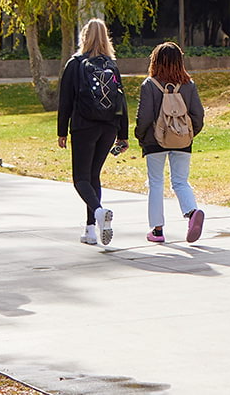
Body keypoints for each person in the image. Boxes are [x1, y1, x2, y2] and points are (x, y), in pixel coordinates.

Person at [55, 18, 128, 247]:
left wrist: (62, 131)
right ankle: (90, 231)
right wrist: (123, 134)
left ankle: (98, 212)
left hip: (83, 126)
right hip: (108, 127)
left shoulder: (75, 64)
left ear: (84, 36)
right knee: (93, 176)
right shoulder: (112, 65)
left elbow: (65, 100)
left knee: (80, 178)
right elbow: (121, 101)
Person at [134, 41, 206, 245]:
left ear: (155, 61)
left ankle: (157, 231)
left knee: (156, 183)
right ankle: (192, 213)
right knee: (180, 181)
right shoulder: (189, 85)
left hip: (154, 142)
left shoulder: (150, 85)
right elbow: (198, 115)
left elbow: (144, 117)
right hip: (183, 140)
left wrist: (141, 136)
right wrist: (190, 134)